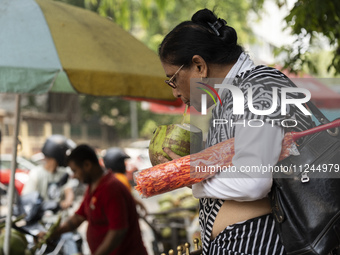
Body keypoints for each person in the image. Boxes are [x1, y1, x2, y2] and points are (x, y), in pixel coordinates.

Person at [157, 8, 313, 255]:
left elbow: (253, 182)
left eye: (173, 79)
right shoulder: (229, 99)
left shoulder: (259, 88)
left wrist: (190, 177)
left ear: (199, 65)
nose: (174, 92)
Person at [49, 144, 148, 255]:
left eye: (75, 171)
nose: (74, 176)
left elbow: (118, 230)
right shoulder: (93, 187)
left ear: (87, 165)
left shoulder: (111, 189)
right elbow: (79, 217)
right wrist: (52, 233)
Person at [22, 134, 76, 210]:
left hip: (59, 218)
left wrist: (68, 201)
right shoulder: (36, 174)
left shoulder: (63, 174)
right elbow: (27, 198)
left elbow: (68, 190)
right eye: (64, 153)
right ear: (58, 154)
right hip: (41, 219)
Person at [103, 147, 148, 216]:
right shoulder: (120, 178)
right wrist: (140, 204)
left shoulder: (109, 178)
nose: (124, 165)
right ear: (118, 164)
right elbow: (126, 197)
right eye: (122, 162)